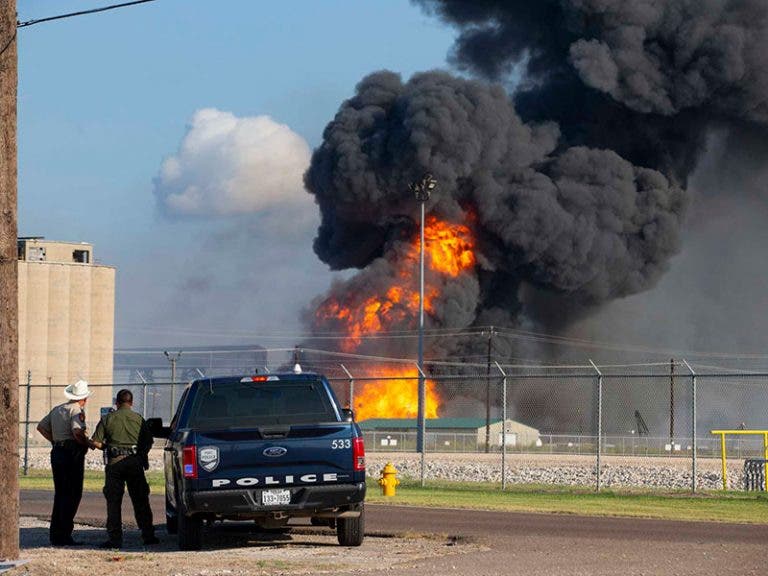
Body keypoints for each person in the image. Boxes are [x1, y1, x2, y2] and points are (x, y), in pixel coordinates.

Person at [90, 389, 159, 548]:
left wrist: (108, 447)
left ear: (117, 402)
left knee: (114, 502)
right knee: (141, 500)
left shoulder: (108, 418)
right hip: (135, 463)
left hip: (114, 464)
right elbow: (148, 442)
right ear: (131, 403)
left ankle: (115, 540)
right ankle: (148, 535)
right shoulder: (139, 419)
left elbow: (95, 442)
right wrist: (140, 454)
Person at [36, 379, 92, 546]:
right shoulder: (76, 410)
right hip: (72, 453)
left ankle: (56, 533)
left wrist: (55, 441)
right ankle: (65, 534)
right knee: (73, 493)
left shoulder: (57, 409)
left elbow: (41, 427)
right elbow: (77, 431)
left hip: (58, 452)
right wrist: (86, 443)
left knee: (60, 493)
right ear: (84, 398)